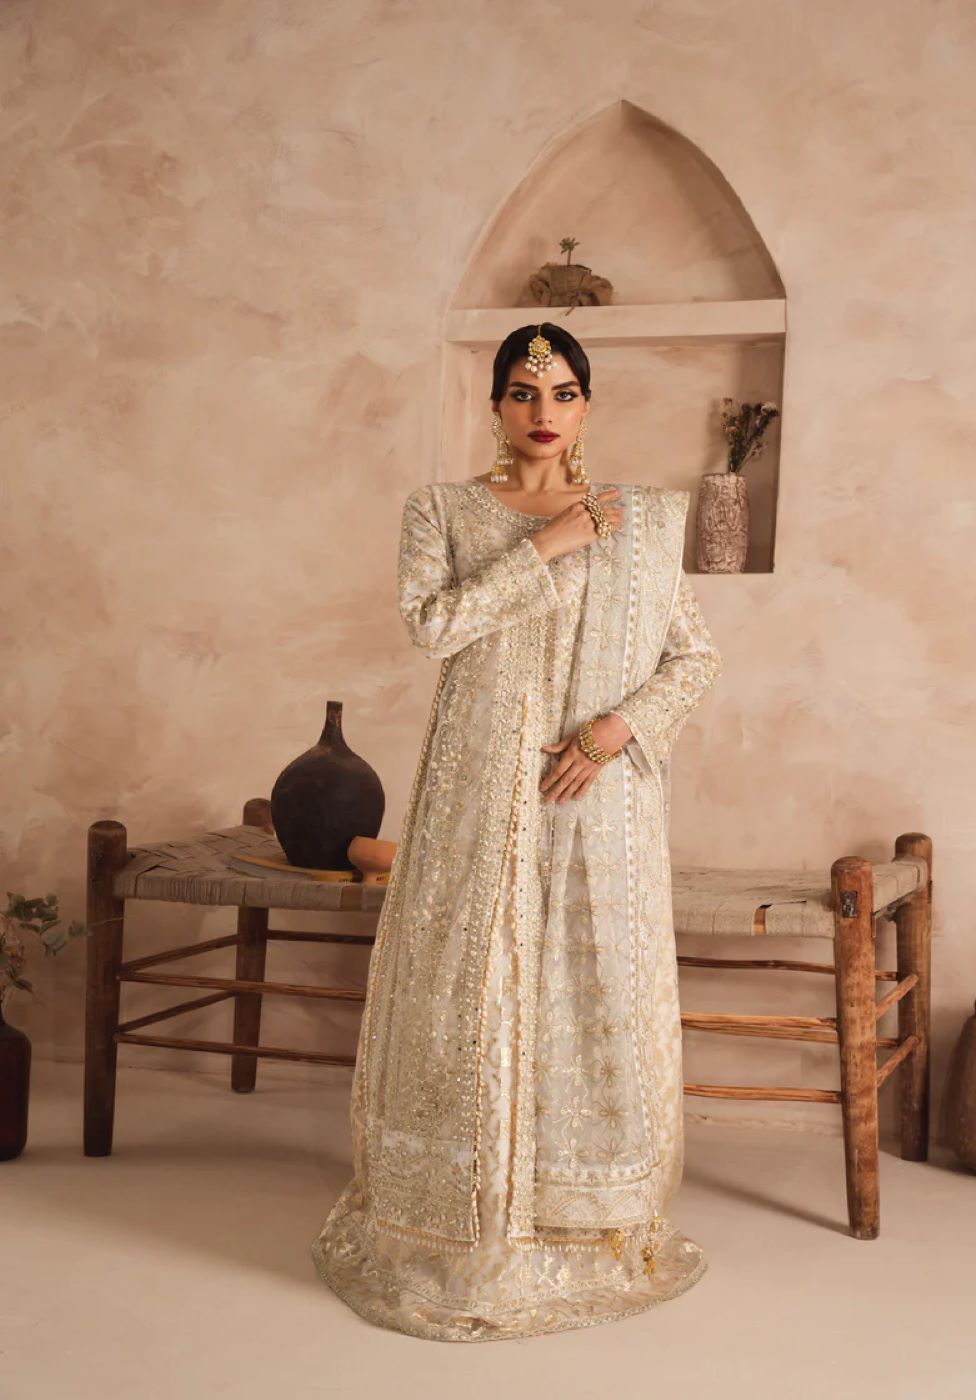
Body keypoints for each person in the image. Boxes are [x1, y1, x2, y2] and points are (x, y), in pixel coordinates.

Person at [311, 322, 723, 1342]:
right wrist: (546, 545)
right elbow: (433, 625)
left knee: (589, 981)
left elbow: (693, 656)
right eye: (524, 392)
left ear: (586, 405)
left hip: (597, 794)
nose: (545, 412)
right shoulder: (442, 510)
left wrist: (618, 729)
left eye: (565, 393)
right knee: (473, 983)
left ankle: (584, 1216)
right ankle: (465, 1219)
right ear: (496, 403)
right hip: (479, 781)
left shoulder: (638, 520)